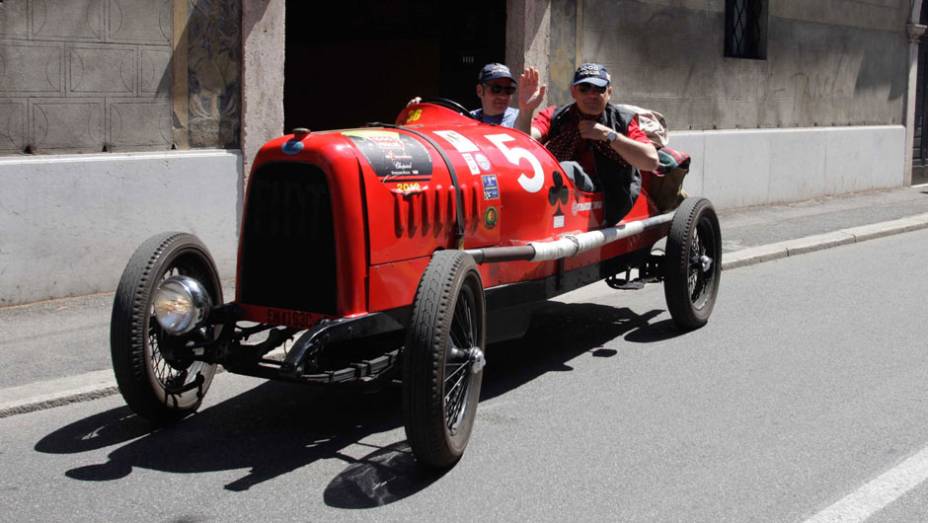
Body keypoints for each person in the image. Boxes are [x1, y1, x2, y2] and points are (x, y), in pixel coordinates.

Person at [520, 63, 659, 223]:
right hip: (561, 194)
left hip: (611, 195)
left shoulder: (622, 120)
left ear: (609, 93)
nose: (592, 95)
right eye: (584, 88)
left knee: (566, 170)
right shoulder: (556, 116)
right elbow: (525, 141)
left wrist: (607, 135)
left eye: (599, 89)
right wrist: (526, 110)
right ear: (573, 92)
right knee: (557, 172)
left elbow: (651, 161)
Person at [408, 63, 546, 129]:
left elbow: (528, 141)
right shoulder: (467, 118)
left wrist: (527, 111)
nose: (503, 96)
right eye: (496, 89)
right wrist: (416, 114)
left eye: (508, 90)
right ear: (480, 91)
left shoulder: (520, 118)